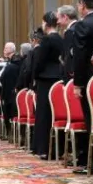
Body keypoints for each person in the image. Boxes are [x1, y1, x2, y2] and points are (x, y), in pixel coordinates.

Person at [72, 0, 93, 174]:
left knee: (90, 120)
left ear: (83, 5)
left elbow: (79, 56)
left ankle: (92, 163)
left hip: (89, 79)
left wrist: (78, 83)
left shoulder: (83, 26)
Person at [31, 12, 63, 159]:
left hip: (45, 78)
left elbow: (39, 61)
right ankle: (58, 148)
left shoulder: (46, 40)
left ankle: (43, 148)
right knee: (57, 113)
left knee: (44, 114)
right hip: (58, 77)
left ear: (46, 23)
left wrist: (35, 76)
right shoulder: (61, 39)